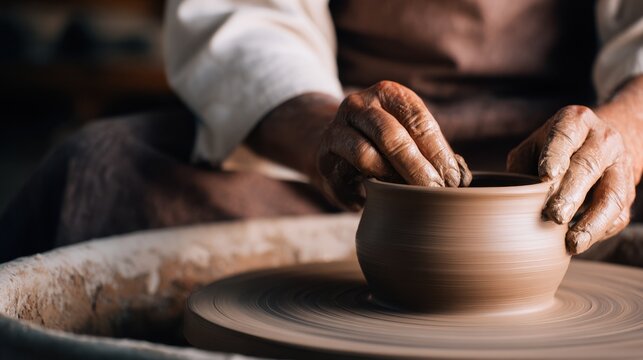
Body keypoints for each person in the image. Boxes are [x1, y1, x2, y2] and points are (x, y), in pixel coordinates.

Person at [0, 0, 641, 263]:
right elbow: (246, 17)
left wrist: (623, 134)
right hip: (351, 165)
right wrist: (321, 132)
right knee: (98, 173)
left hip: (572, 178)